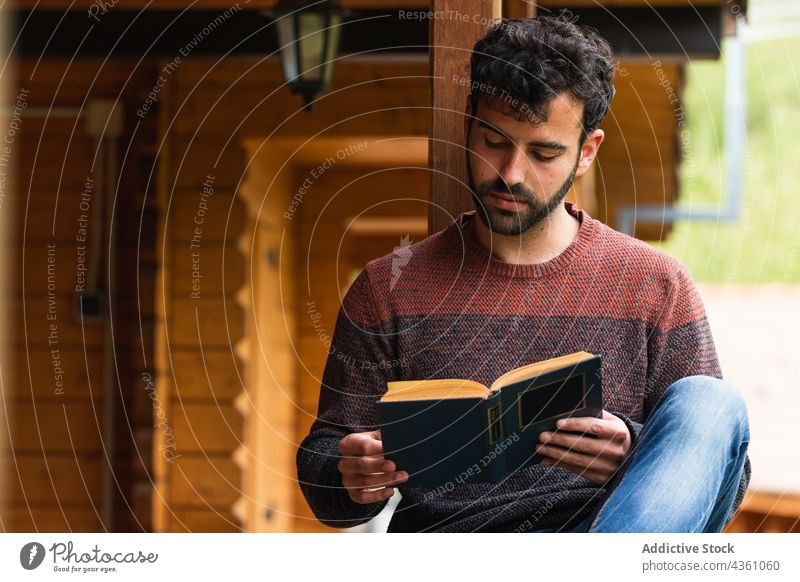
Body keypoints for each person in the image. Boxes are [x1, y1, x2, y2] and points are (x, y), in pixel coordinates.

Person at [296, 15, 750, 533]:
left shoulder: (655, 284)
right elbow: (323, 471)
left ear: (586, 152)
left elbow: (726, 476)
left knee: (709, 401)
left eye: (543, 153)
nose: (511, 173)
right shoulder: (387, 289)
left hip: (605, 538)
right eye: (494, 142)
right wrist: (348, 472)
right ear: (468, 119)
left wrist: (633, 452)